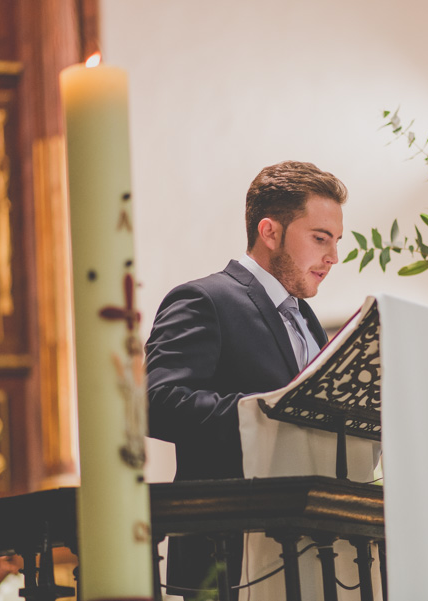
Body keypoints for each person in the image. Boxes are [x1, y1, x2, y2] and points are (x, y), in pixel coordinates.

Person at [145, 160, 346, 598]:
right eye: (319, 238)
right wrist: (267, 411)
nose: (333, 257)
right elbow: (156, 402)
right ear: (269, 231)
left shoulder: (310, 322)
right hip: (228, 556)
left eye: (336, 242)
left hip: (310, 551)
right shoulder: (204, 299)